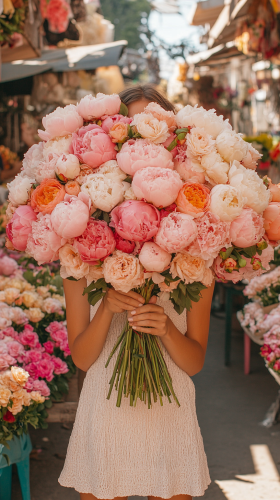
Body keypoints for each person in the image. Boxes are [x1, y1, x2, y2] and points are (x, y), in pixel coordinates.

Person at [59, 84, 214, 500]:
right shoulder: (79, 247)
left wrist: (166, 327)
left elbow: (195, 361)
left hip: (171, 414)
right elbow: (84, 359)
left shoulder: (197, 250)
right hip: (105, 412)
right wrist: (107, 308)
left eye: (154, 129)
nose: (141, 139)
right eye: (127, 128)